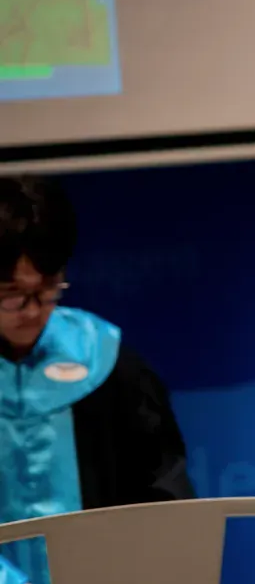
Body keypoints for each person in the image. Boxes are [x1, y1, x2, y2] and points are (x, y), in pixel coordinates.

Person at [0, 175, 195, 584]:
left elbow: (164, 494)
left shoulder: (104, 358)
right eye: (13, 295)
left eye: (49, 289)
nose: (33, 311)